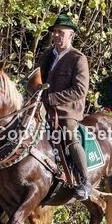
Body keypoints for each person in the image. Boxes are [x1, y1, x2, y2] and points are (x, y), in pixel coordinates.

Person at [38, 13, 92, 199]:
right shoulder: (47, 55)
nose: (57, 36)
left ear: (71, 36)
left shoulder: (78, 58)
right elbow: (37, 79)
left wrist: (51, 99)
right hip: (43, 107)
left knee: (69, 135)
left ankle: (85, 182)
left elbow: (80, 90)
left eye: (61, 33)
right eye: (55, 32)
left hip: (67, 111)